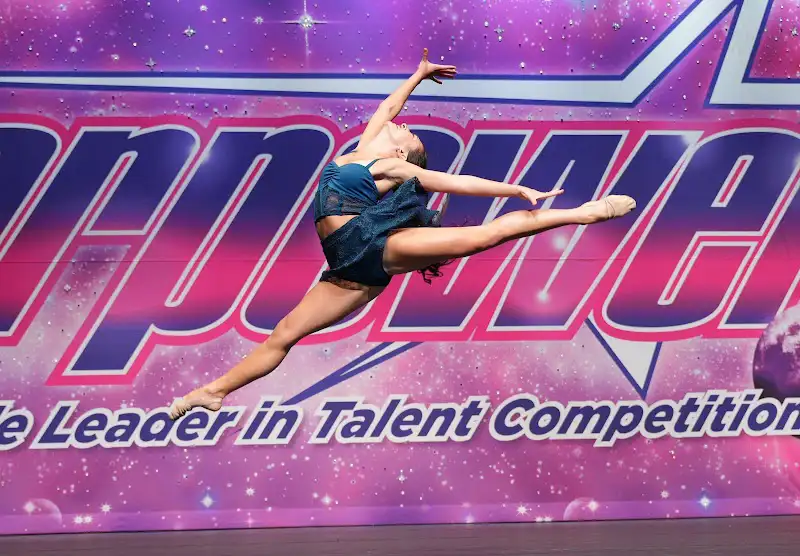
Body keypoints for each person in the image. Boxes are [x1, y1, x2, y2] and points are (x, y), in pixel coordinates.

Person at [168, 49, 635, 420]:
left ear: (405, 157)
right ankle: (213, 392)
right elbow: (389, 107)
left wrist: (515, 189)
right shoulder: (365, 148)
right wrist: (418, 75)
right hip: (346, 267)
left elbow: (457, 182)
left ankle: (582, 214)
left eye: (411, 136)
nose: (404, 125)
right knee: (283, 335)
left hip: (373, 244)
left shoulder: (392, 167)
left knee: (482, 237)